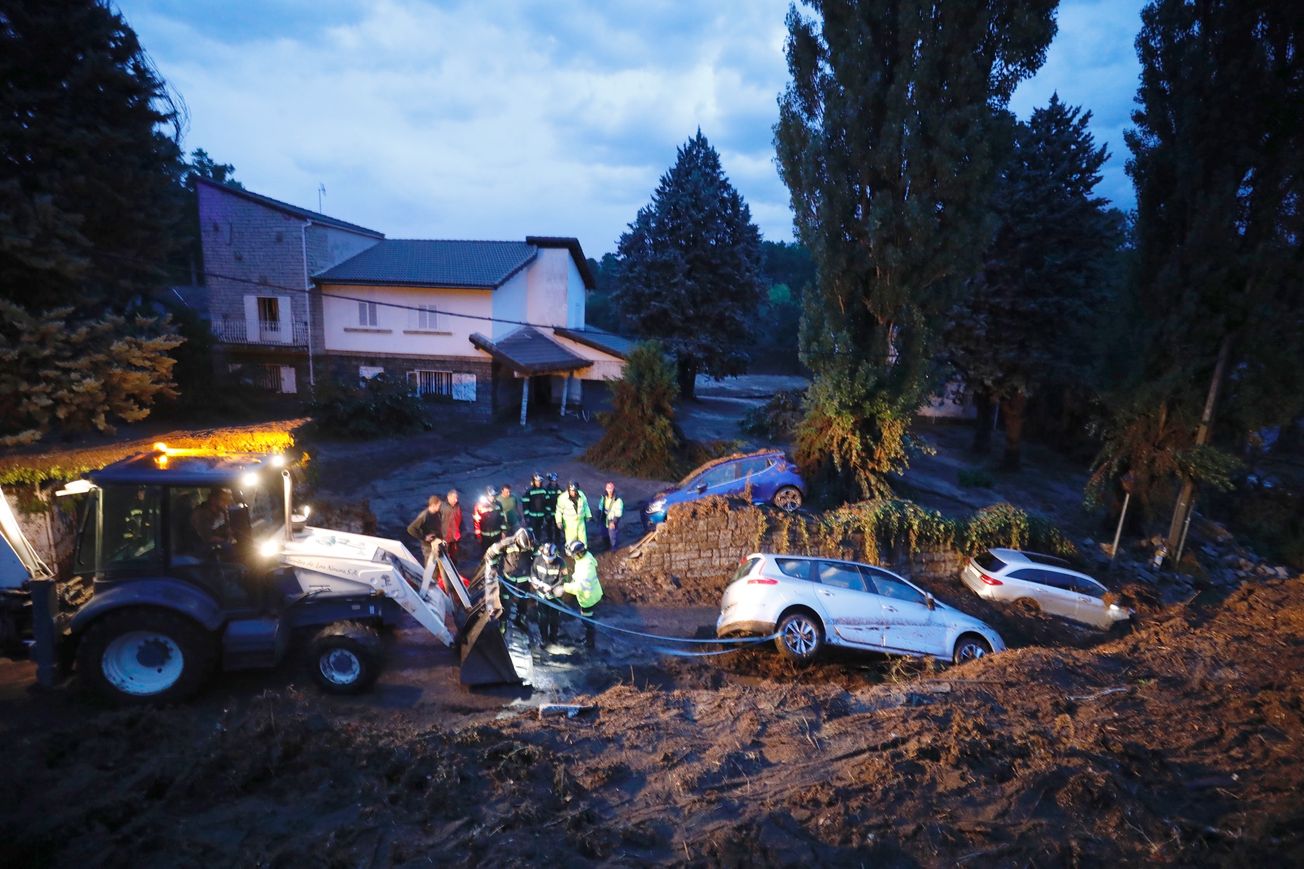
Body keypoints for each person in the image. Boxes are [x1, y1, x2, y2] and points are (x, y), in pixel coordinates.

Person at [482, 527, 535, 624]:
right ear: (518, 540)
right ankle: (503, 621)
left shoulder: (531, 543)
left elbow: (538, 558)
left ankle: (520, 618)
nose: (525, 549)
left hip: (524, 577)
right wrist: (492, 567)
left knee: (524, 598)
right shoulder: (507, 543)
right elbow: (491, 553)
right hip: (509, 577)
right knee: (505, 599)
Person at [557, 539, 603, 649]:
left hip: (588, 598)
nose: (571, 557)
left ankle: (590, 642)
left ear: (578, 554)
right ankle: (589, 636)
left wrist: (564, 587)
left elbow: (579, 588)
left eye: (573, 555)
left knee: (587, 619)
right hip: (594, 592)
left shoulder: (585, 569)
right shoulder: (587, 557)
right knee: (589, 617)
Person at [529, 541, 568, 646]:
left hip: (555, 596)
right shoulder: (538, 560)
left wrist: (552, 587)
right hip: (541, 595)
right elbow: (533, 573)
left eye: (550, 559)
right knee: (543, 617)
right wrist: (536, 583)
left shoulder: (561, 563)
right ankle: (543, 638)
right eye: (546, 558)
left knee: (555, 617)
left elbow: (563, 578)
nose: (548, 561)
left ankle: (554, 637)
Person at [189, 488, 234, 553]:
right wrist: (226, 541)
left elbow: (227, 528)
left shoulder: (222, 511)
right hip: (202, 547)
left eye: (229, 501)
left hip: (219, 542)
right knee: (227, 547)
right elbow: (208, 538)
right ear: (213, 500)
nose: (227, 503)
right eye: (224, 500)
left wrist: (230, 534)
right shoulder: (201, 514)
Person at [406, 494, 444, 565]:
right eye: (439, 505)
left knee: (437, 566)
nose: (440, 507)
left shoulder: (437, 513)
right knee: (430, 567)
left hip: (436, 544)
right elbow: (411, 529)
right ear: (433, 505)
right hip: (428, 547)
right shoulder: (424, 516)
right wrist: (424, 537)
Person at [555, 479, 591, 547]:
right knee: (571, 540)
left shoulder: (581, 495)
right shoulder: (562, 498)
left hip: (581, 522)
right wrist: (559, 522)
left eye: (575, 490)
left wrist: (588, 515)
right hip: (569, 523)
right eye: (572, 491)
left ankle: (583, 550)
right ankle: (571, 552)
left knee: (583, 538)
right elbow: (558, 511)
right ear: (568, 489)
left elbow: (585, 505)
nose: (574, 493)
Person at [473, 486, 505, 557]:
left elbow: (502, 519)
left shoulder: (498, 504)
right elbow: (476, 521)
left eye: (494, 496)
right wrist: (478, 536)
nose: (493, 497)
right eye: (491, 496)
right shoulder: (479, 505)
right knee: (486, 554)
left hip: (497, 535)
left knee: (497, 553)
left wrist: (503, 532)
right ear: (486, 495)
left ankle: (497, 566)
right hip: (485, 536)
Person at [523, 473, 550, 544]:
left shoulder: (544, 490)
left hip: (541, 516)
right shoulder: (529, 491)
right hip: (532, 516)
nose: (538, 482)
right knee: (531, 532)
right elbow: (525, 505)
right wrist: (526, 516)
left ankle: (537, 544)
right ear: (533, 481)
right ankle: (531, 546)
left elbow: (547, 503)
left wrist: (547, 513)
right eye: (537, 481)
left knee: (539, 531)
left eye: (540, 481)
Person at [598, 481, 623, 552]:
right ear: (606, 489)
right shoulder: (603, 497)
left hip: (612, 519)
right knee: (604, 533)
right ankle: (606, 545)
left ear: (613, 489)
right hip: (604, 518)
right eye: (608, 488)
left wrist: (614, 522)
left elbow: (618, 513)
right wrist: (598, 516)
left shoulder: (617, 500)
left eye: (611, 488)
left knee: (612, 534)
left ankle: (614, 547)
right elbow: (600, 507)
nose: (609, 490)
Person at [440, 489, 464, 563]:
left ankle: (454, 569)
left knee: (454, 556)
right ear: (448, 497)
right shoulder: (442, 507)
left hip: (455, 538)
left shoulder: (458, 506)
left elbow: (461, 519)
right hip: (445, 537)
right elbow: (437, 521)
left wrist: (461, 531)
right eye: (454, 498)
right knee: (445, 557)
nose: (456, 500)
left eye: (457, 498)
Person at [542, 472, 562, 545]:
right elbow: (544, 502)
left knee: (558, 528)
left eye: (555, 481)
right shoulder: (546, 489)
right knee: (549, 527)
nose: (554, 483)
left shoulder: (560, 489)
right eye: (552, 481)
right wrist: (546, 513)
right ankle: (549, 540)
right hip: (549, 513)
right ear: (550, 481)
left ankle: (558, 542)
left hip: (557, 513)